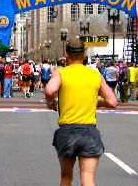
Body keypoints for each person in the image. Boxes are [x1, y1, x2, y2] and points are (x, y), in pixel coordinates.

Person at [45, 39, 117, 186]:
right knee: (88, 179)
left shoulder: (61, 73)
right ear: (84, 55)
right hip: (89, 131)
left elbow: (50, 90)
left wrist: (51, 103)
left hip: (66, 131)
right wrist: (96, 100)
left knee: (66, 177)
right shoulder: (95, 75)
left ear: (66, 55)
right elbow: (112, 102)